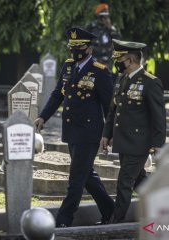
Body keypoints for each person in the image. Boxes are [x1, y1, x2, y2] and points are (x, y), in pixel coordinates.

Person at [34, 27, 114, 227]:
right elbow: (57, 94)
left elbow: (109, 106)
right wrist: (43, 116)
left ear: (88, 48)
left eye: (78, 47)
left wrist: (108, 134)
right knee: (87, 176)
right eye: (72, 47)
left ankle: (64, 220)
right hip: (71, 131)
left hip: (90, 133)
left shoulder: (100, 71)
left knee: (76, 178)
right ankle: (111, 212)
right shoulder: (69, 66)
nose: (74, 51)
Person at [101, 39, 166, 223]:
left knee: (124, 182)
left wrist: (158, 144)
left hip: (139, 143)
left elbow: (159, 116)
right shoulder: (122, 79)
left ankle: (116, 221)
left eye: (119, 59)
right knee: (138, 181)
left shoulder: (150, 82)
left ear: (130, 60)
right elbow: (113, 110)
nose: (117, 63)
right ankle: (167, 205)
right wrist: (107, 134)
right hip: (123, 141)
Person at [86, 3, 121, 68]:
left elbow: (118, 41)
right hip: (93, 60)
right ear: (98, 17)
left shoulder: (111, 28)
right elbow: (85, 40)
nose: (105, 19)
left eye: (106, 17)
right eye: (102, 17)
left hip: (107, 61)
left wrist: (110, 28)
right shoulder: (91, 27)